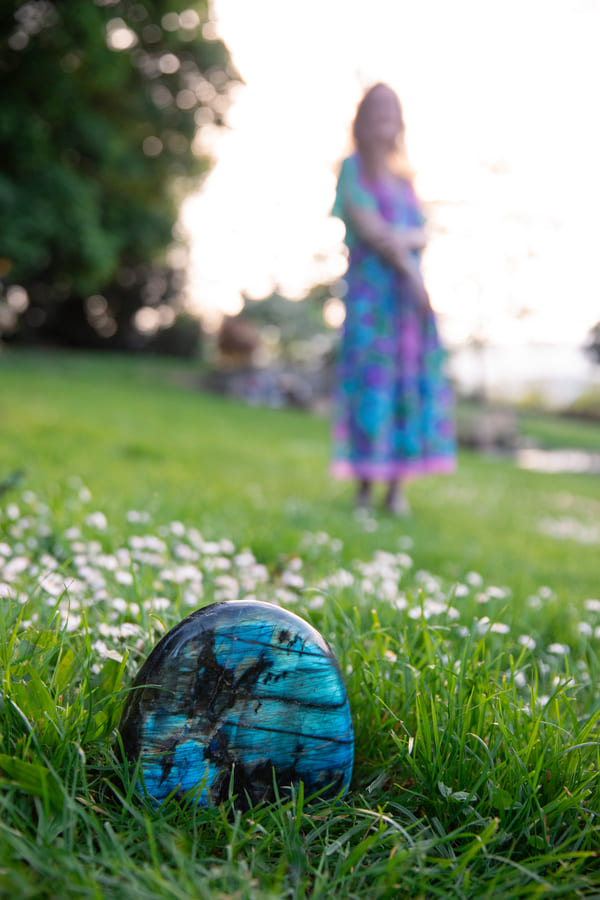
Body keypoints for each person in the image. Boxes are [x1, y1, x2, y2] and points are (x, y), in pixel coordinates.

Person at [330, 83, 456, 514]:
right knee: (371, 385)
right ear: (362, 120)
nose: (386, 117)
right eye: (377, 109)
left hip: (407, 309)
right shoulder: (351, 170)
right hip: (372, 304)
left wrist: (406, 249)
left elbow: (421, 230)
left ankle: (396, 489)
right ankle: (365, 486)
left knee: (406, 388)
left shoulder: (405, 180)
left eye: (392, 110)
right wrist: (410, 267)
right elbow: (369, 228)